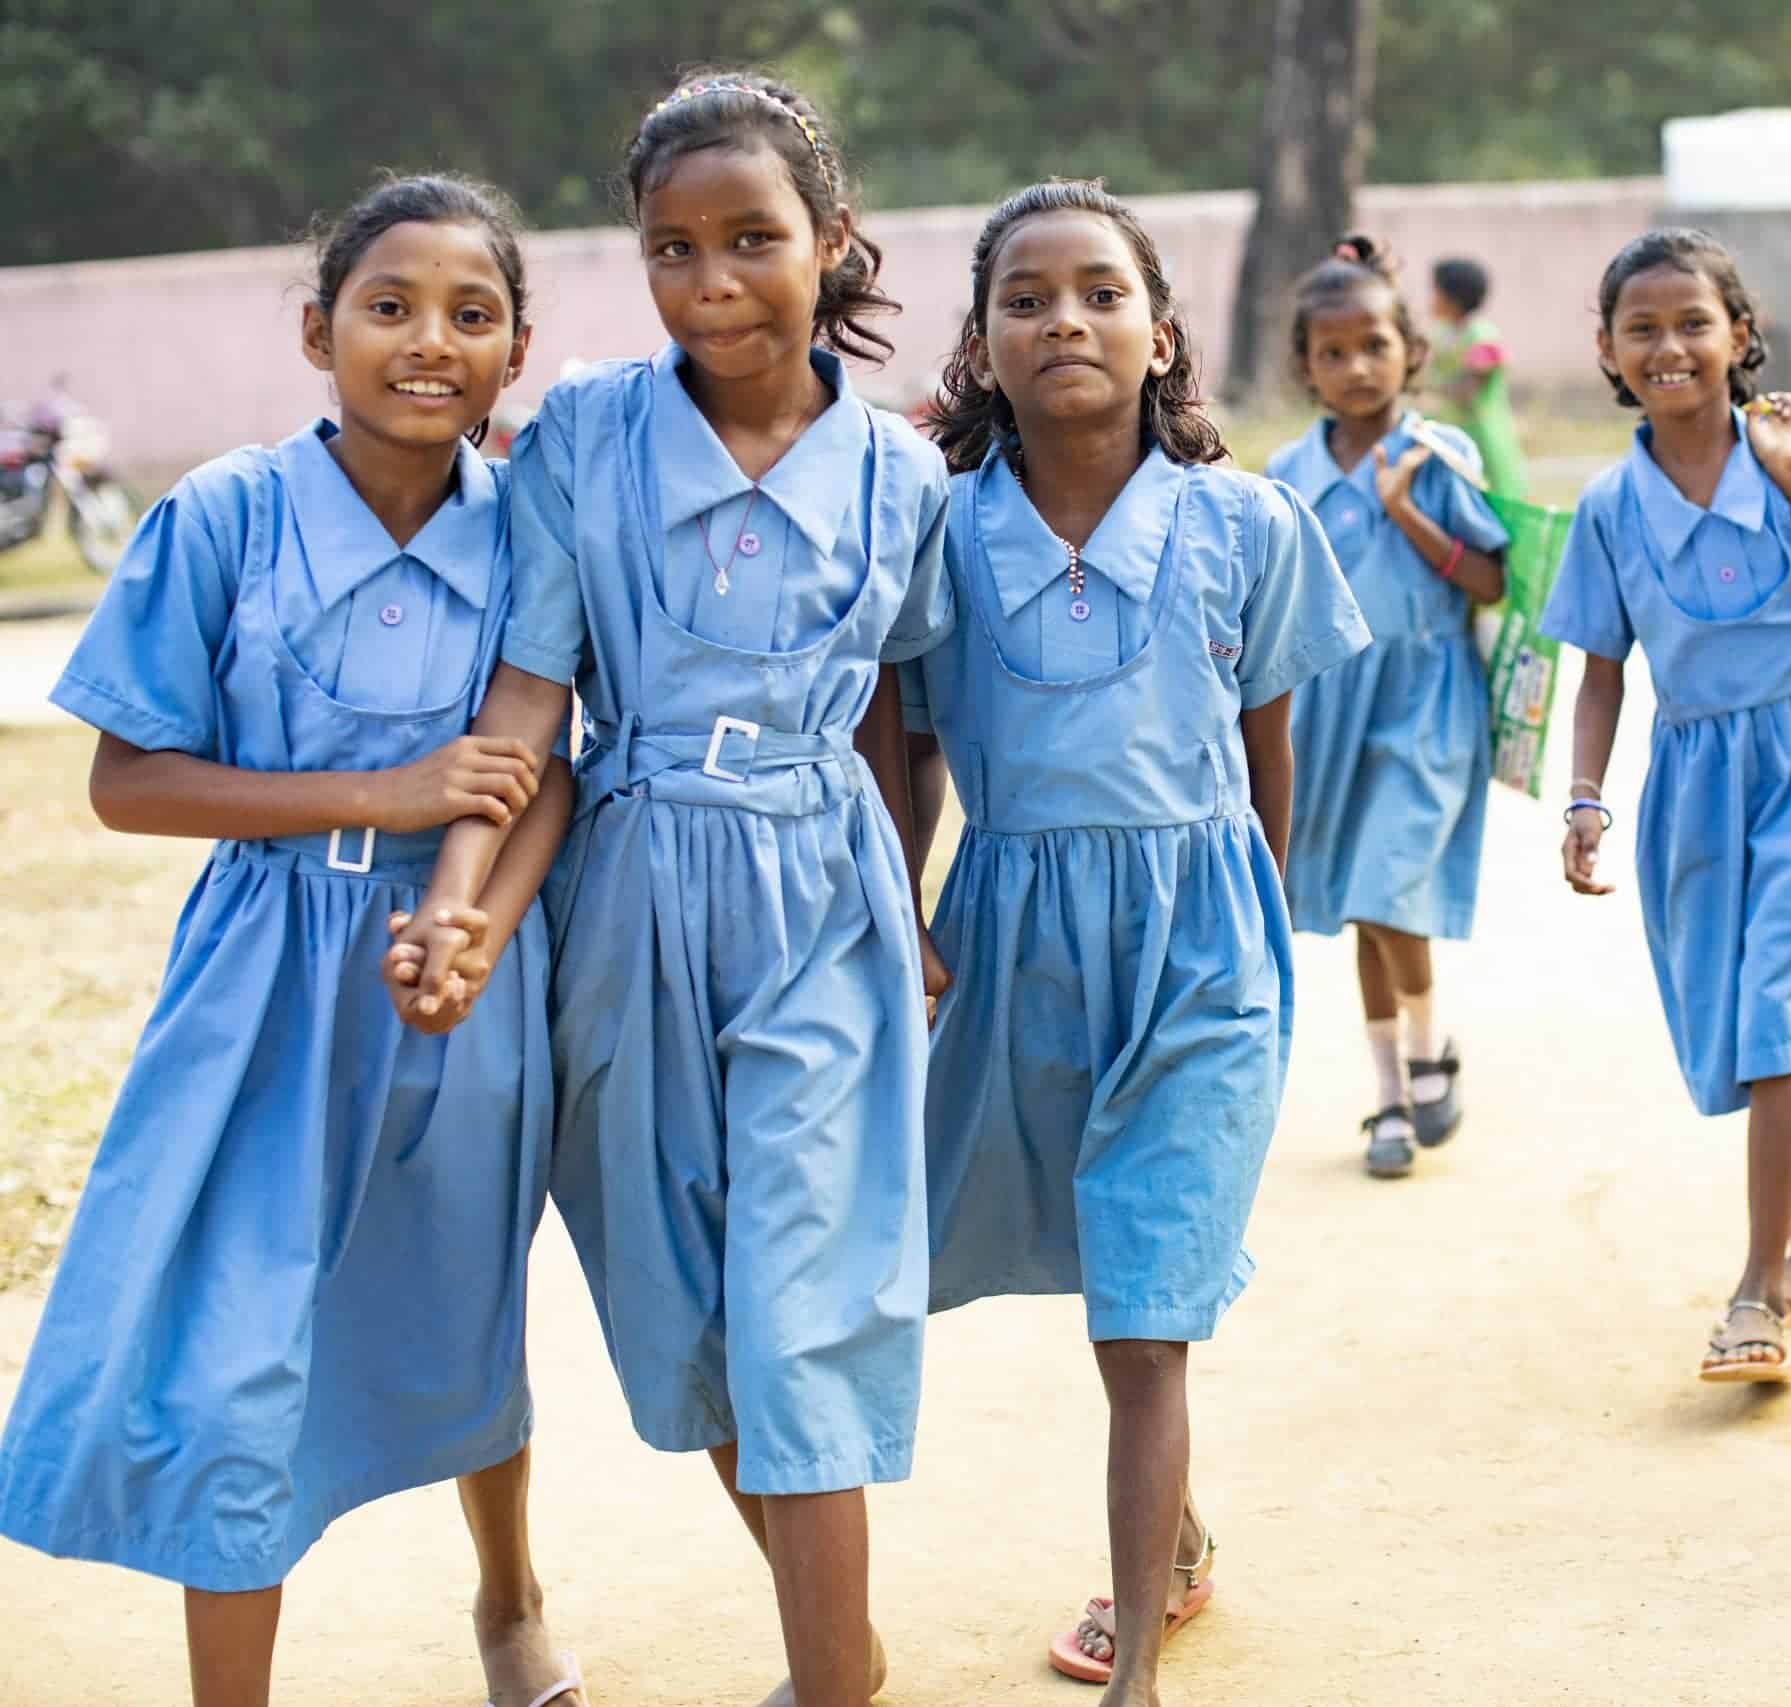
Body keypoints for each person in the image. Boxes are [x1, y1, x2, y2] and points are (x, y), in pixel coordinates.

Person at [388, 74, 945, 1707]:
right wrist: (461, 899)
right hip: (629, 896)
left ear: (828, 239)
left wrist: (913, 909)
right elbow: (528, 698)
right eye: (672, 248)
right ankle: (838, 1636)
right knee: (685, 1310)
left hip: (822, 902)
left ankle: (829, 1680)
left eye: (753, 239)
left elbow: (897, 713)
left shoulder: (901, 476)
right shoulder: (584, 438)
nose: (712, 282)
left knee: (806, 1313)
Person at [0, 176, 585, 1707]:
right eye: (390, 306)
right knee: (235, 1356)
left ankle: (511, 1594)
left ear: (517, 350)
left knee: (462, 1306)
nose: (429, 340)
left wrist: (475, 926)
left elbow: (547, 771)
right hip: (264, 978)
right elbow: (127, 781)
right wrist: (379, 790)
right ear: (319, 332)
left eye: (471, 313)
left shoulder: (534, 529)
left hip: (463, 976)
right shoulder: (224, 516)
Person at [906, 179, 1366, 1703]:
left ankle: (1139, 1667)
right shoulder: (937, 534)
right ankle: (1173, 1525)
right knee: (1106, 1268)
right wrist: (904, 911)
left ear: (1161, 334)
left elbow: (1268, 745)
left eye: (1102, 293)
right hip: (1015, 944)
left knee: (1146, 1311)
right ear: (982, 342)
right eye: (1026, 298)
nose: (1066, 320)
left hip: (1203, 944)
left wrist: (1259, 926)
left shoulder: (1246, 521)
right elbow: (905, 745)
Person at [1539, 228, 1791, 1383]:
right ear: (1606, 350)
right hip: (1692, 781)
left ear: (1740, 334)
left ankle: (1756, 1290)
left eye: (1693, 322)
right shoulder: (1608, 506)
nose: (1669, 347)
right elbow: (1599, 670)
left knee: (1777, 1000)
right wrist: (1584, 799)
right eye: (1643, 329)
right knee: (1741, 1015)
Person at [1266, 235, 1510, 1178]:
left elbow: (1490, 581)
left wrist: (1407, 511)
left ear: (1411, 349)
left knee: (1389, 885)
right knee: (1364, 907)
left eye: (1374, 345)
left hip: (1427, 697)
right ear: (1305, 366)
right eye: (1333, 352)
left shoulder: (1438, 454)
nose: (1357, 367)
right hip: (1330, 706)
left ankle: (1426, 1049)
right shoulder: (1289, 473)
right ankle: (1393, 1096)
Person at [1427, 256, 1529, 499]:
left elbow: (1467, 391)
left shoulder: (1481, 335)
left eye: (1436, 291)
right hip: (1453, 431)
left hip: (1483, 436)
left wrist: (1427, 388)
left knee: (1492, 496)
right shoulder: (1442, 333)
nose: (1431, 298)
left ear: (1453, 297)